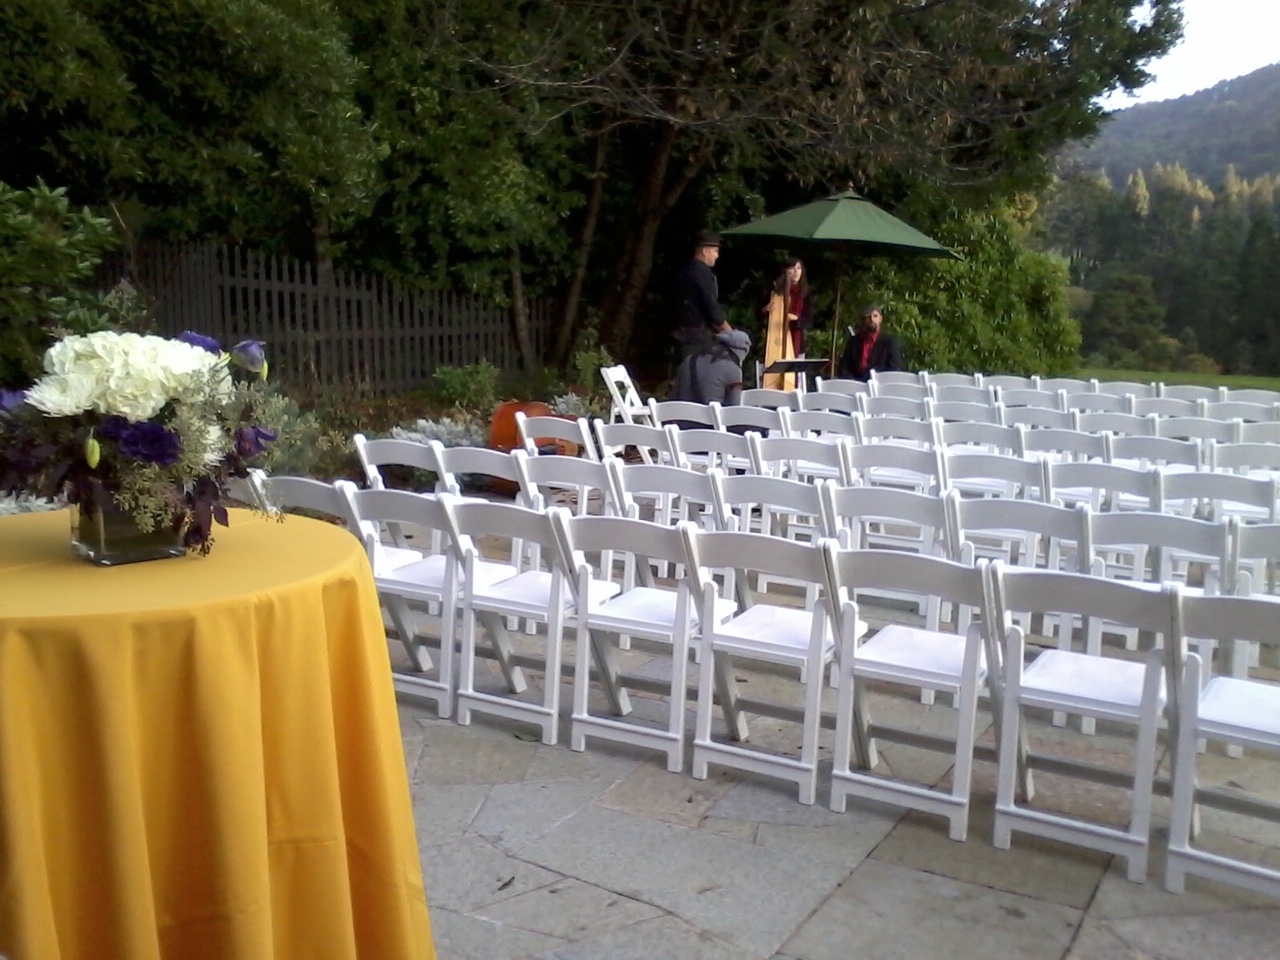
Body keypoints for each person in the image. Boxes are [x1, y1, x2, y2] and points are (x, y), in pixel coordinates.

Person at [669, 319, 751, 412]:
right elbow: (734, 410)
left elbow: (674, 397)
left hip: (681, 418)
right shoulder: (733, 370)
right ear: (741, 351)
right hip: (710, 420)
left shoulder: (689, 359)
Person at [674, 230, 727, 356]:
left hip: (681, 335)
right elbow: (712, 308)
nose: (717, 256)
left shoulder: (684, 271)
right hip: (699, 338)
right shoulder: (703, 274)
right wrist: (730, 333)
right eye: (715, 251)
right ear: (704, 251)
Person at [836, 303, 903, 381]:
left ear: (880, 319)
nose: (872, 319)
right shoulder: (853, 342)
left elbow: (894, 369)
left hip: (879, 384)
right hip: (855, 384)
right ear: (863, 320)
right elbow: (844, 368)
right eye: (868, 316)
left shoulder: (889, 342)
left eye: (875, 316)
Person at [763, 258, 813, 357]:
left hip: (796, 339)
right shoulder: (775, 292)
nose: (796, 271)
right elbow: (759, 314)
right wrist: (765, 309)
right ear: (786, 271)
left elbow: (809, 320)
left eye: (799, 268)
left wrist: (796, 318)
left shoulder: (805, 293)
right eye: (792, 268)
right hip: (775, 337)